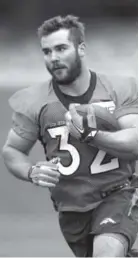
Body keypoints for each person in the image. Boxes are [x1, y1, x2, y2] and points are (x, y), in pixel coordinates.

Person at [2, 15, 138, 257]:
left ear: (81, 48)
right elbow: (12, 150)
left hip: (119, 193)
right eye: (47, 51)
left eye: (61, 48)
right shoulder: (35, 101)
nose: (53, 58)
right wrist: (31, 171)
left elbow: (135, 142)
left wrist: (92, 135)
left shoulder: (118, 89)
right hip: (72, 210)